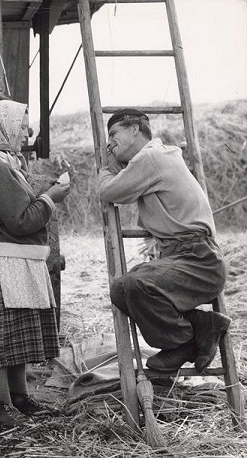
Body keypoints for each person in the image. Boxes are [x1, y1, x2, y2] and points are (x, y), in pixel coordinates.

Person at [99, 108, 231, 373]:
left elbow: (109, 192)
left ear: (134, 129)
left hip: (199, 260)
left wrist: (107, 170)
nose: (109, 143)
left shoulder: (152, 156)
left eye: (114, 134)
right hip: (184, 258)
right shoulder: (153, 159)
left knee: (136, 284)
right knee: (120, 290)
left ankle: (181, 342)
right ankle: (200, 327)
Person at [0, 100, 71, 428]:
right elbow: (21, 221)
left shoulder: (3, 163)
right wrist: (52, 197)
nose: (26, 132)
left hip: (18, 259)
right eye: (20, 125)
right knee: (3, 336)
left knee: (16, 334)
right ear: (2, 127)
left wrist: (44, 194)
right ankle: (1, 406)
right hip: (10, 259)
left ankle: (20, 399)